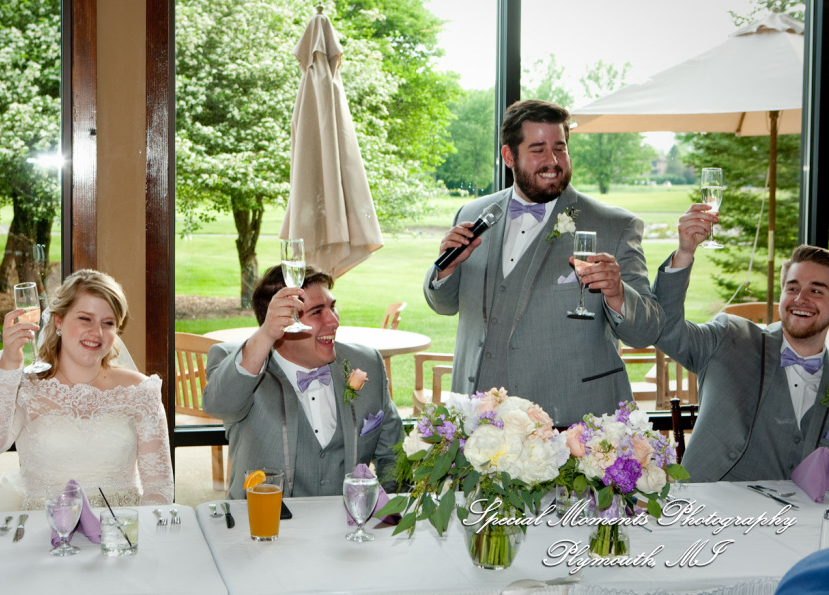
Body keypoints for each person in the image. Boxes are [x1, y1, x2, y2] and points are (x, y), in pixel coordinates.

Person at [424, 99, 662, 426]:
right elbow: (443, 304)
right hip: (478, 422)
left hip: (572, 425)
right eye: (538, 149)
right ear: (509, 156)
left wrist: (618, 293)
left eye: (560, 148)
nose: (552, 161)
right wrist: (446, 269)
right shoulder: (471, 215)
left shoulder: (615, 227)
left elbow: (645, 331)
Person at [653, 205, 829, 482]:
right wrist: (685, 253)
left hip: (805, 521)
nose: (800, 299)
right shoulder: (730, 338)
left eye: (816, 290)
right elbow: (665, 331)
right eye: (792, 288)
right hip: (712, 511)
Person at [0, 269, 173, 510]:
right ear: (58, 320)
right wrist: (9, 362)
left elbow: (159, 489)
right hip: (46, 532)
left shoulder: (140, 391)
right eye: (85, 319)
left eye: (108, 323)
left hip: (119, 533)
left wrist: (125, 535)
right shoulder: (27, 387)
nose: (97, 332)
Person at [202, 265, 403, 500]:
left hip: (347, 529)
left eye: (332, 307)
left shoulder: (366, 363)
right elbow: (218, 406)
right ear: (282, 325)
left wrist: (389, 514)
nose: (334, 320)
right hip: (265, 528)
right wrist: (266, 334)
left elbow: (393, 456)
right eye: (317, 312)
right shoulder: (245, 365)